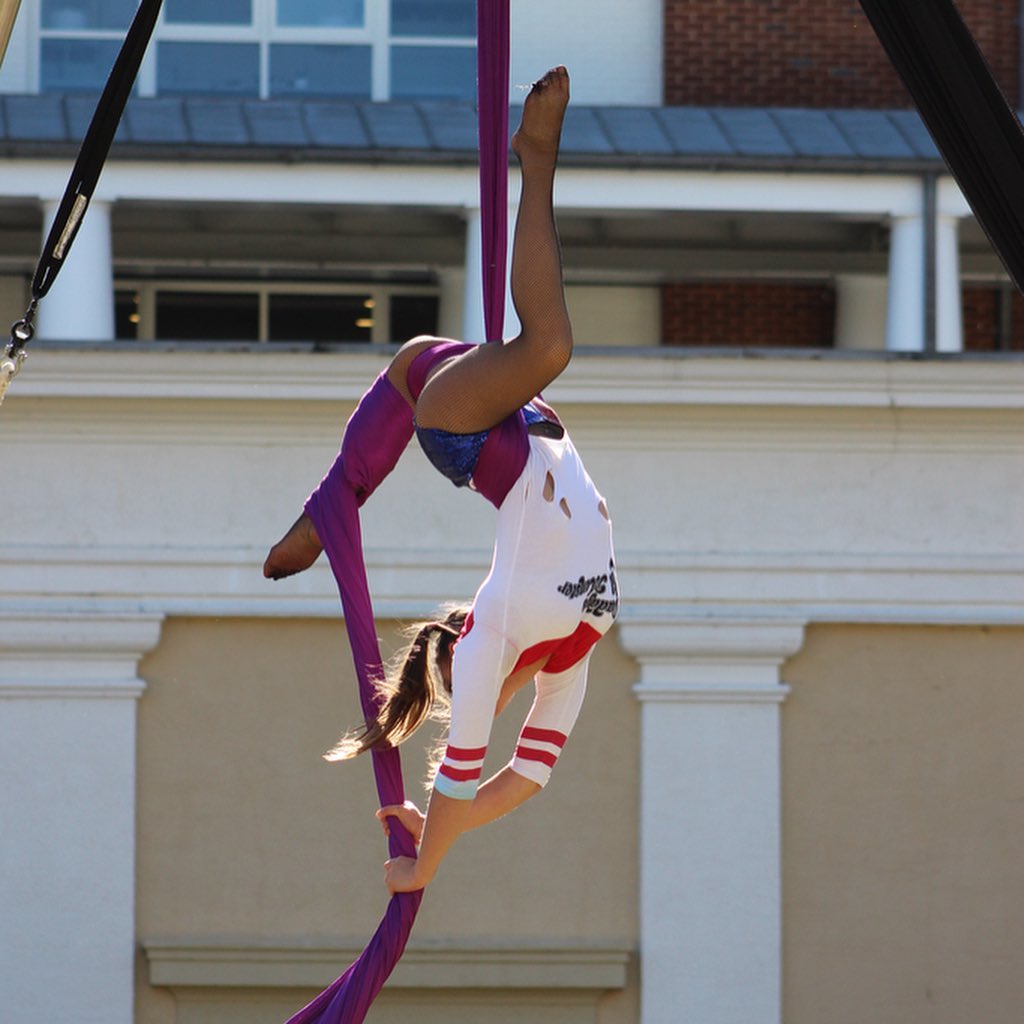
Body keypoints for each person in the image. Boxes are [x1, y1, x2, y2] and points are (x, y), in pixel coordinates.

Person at [263, 66, 617, 895]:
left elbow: (461, 775)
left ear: (467, 648)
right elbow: (528, 778)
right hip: (520, 420)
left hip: (466, 433)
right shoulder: (573, 651)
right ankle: (329, 507)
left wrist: (424, 862)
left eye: (474, 696)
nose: (491, 703)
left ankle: (536, 160)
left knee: (532, 348)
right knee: (423, 357)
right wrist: (439, 825)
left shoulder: (497, 627)